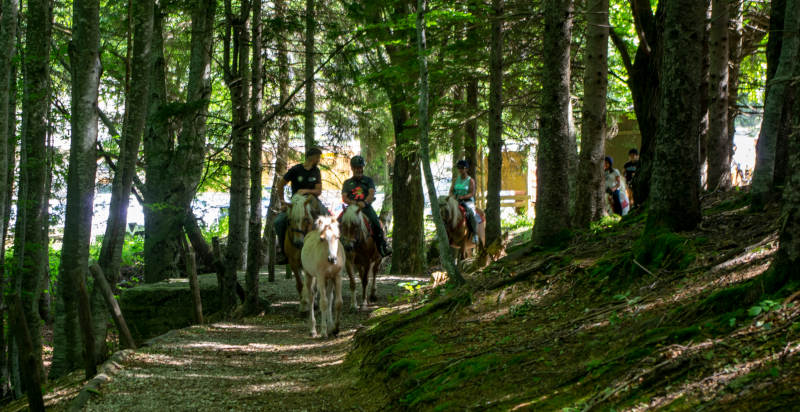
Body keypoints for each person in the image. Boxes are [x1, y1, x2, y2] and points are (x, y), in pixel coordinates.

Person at [274, 147, 330, 264]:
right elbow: (280, 185)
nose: (319, 160)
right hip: (297, 202)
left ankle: (329, 249)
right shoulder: (296, 169)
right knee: (278, 222)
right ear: (312, 157)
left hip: (312, 200)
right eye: (318, 157)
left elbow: (318, 191)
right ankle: (283, 251)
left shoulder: (316, 171)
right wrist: (283, 202)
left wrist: (305, 191)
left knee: (328, 217)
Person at [341, 155, 392, 257]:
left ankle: (382, 247)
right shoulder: (347, 183)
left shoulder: (368, 181)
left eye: (360, 167)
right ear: (352, 168)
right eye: (356, 167)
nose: (358, 170)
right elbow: (344, 198)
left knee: (376, 224)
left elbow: (371, 194)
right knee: (338, 222)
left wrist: (364, 203)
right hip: (352, 208)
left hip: (366, 207)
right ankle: (338, 249)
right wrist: (354, 203)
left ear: (362, 167)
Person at [450, 160, 481, 245]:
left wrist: (463, 197)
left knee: (472, 213)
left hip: (467, 201)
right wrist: (452, 196)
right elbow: (451, 191)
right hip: (456, 201)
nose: (460, 170)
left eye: (462, 168)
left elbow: (472, 193)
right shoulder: (456, 180)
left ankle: (475, 234)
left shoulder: (470, 180)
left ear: (466, 169)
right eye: (459, 168)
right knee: (446, 211)